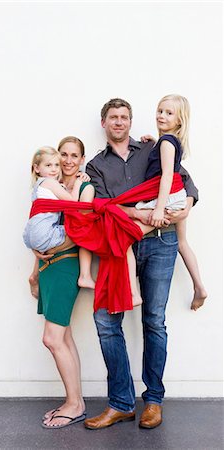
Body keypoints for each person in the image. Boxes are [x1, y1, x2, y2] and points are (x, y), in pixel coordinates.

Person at [83, 97, 199, 430]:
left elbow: (184, 181)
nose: (119, 122)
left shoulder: (151, 147)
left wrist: (187, 205)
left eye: (124, 117)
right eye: (113, 117)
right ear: (104, 123)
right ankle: (120, 403)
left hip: (160, 243)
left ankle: (153, 402)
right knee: (105, 320)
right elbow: (102, 206)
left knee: (153, 320)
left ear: (131, 122)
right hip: (119, 246)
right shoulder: (95, 166)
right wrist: (138, 212)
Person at [24, 136, 95, 429]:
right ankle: (75, 401)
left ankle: (74, 404)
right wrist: (35, 269)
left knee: (51, 338)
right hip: (50, 267)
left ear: (81, 160)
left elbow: (83, 227)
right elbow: (40, 226)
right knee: (63, 337)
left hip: (66, 266)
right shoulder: (54, 190)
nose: (66, 161)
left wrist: (53, 250)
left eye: (73, 156)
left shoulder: (83, 187)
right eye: (61, 155)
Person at [125, 95, 207, 310]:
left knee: (125, 237)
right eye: (160, 111)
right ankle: (199, 286)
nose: (161, 115)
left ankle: (133, 294)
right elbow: (166, 164)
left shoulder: (166, 143)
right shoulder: (168, 142)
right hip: (177, 195)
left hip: (168, 199)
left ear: (179, 120)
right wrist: (154, 143)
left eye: (169, 113)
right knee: (182, 242)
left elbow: (167, 175)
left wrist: (159, 209)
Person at [23, 145, 95, 290]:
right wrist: (79, 182)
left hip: (31, 234)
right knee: (85, 229)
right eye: (49, 165)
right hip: (43, 234)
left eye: (56, 165)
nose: (54, 169)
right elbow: (72, 202)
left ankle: (34, 275)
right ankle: (85, 276)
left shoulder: (39, 186)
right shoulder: (50, 183)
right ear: (37, 168)